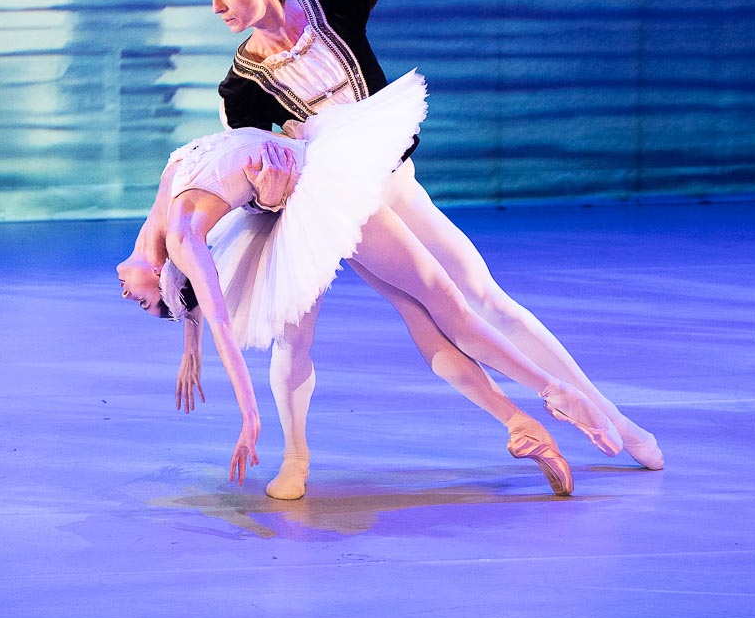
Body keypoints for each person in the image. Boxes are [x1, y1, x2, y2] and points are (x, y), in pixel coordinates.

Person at [196, 0, 663, 499]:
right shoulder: (241, 86)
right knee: (426, 311)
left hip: (396, 183)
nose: (218, 8)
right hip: (339, 216)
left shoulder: (336, 1)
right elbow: (252, 179)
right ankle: (534, 412)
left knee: (473, 300)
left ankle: (599, 411)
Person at [117, 73, 618, 497]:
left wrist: (191, 343)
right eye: (147, 306)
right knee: (336, 328)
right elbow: (208, 308)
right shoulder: (180, 236)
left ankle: (542, 404)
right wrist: (233, 395)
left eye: (147, 306)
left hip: (313, 183)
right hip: (292, 207)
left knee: (432, 304)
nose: (131, 300)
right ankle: (529, 413)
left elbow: (202, 301)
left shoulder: (169, 225)